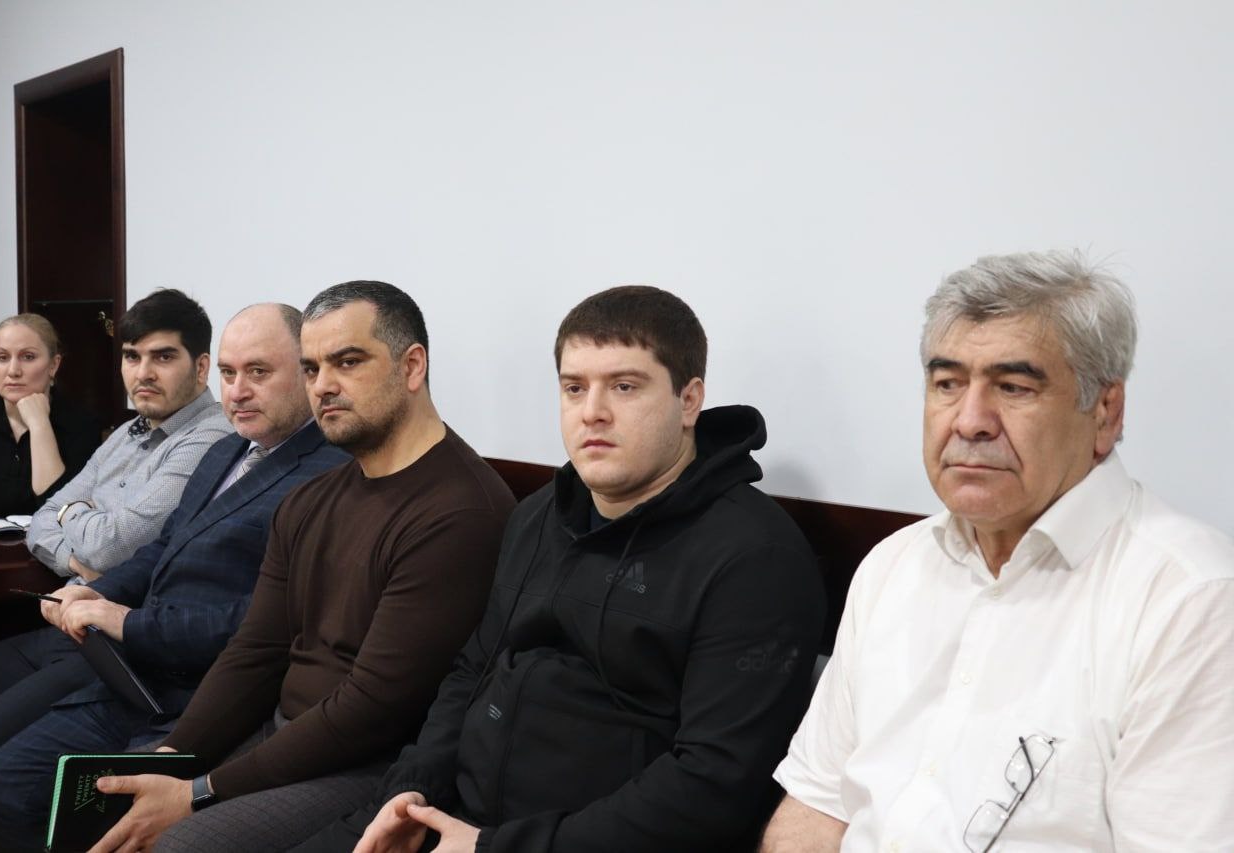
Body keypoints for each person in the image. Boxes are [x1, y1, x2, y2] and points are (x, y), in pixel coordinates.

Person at [299, 285, 826, 853]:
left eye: (624, 386)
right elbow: (472, 671)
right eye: (574, 388)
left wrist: (493, 847)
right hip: (452, 819)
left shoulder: (756, 557)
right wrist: (411, 792)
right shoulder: (538, 516)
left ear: (689, 400)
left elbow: (713, 784)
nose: (592, 411)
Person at [763, 251, 1234, 852]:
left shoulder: (1189, 599)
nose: (970, 421)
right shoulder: (893, 565)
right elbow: (816, 807)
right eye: (948, 384)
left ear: (1105, 413)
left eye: (1014, 387)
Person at [85, 281, 516, 853]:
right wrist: (174, 758)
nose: (323, 385)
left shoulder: (460, 511)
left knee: (177, 845)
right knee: (109, 802)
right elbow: (256, 649)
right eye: (312, 368)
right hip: (283, 730)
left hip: (373, 764)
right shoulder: (313, 497)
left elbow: (373, 708)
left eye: (348, 361)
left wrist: (200, 791)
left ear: (412, 366)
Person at [0, 304, 348, 847]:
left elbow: (265, 621)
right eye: (230, 373)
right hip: (128, 665)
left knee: (7, 791)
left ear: (307, 373)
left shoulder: (329, 472)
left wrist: (126, 620)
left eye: (258, 372)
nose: (237, 391)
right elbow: (161, 547)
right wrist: (95, 591)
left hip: (201, 691)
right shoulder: (228, 449)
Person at [26, 288, 232, 579]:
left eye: (163, 357)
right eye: (132, 357)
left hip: (129, 607)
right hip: (75, 596)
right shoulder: (126, 433)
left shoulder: (212, 436)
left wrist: (70, 511)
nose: (143, 373)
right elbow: (40, 521)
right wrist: (75, 563)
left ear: (201, 368)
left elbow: (108, 548)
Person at [0, 313, 100, 531]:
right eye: (2, 357)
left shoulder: (81, 425)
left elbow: (60, 511)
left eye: (28, 357)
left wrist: (40, 424)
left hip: (48, 547)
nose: (13, 371)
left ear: (53, 365)